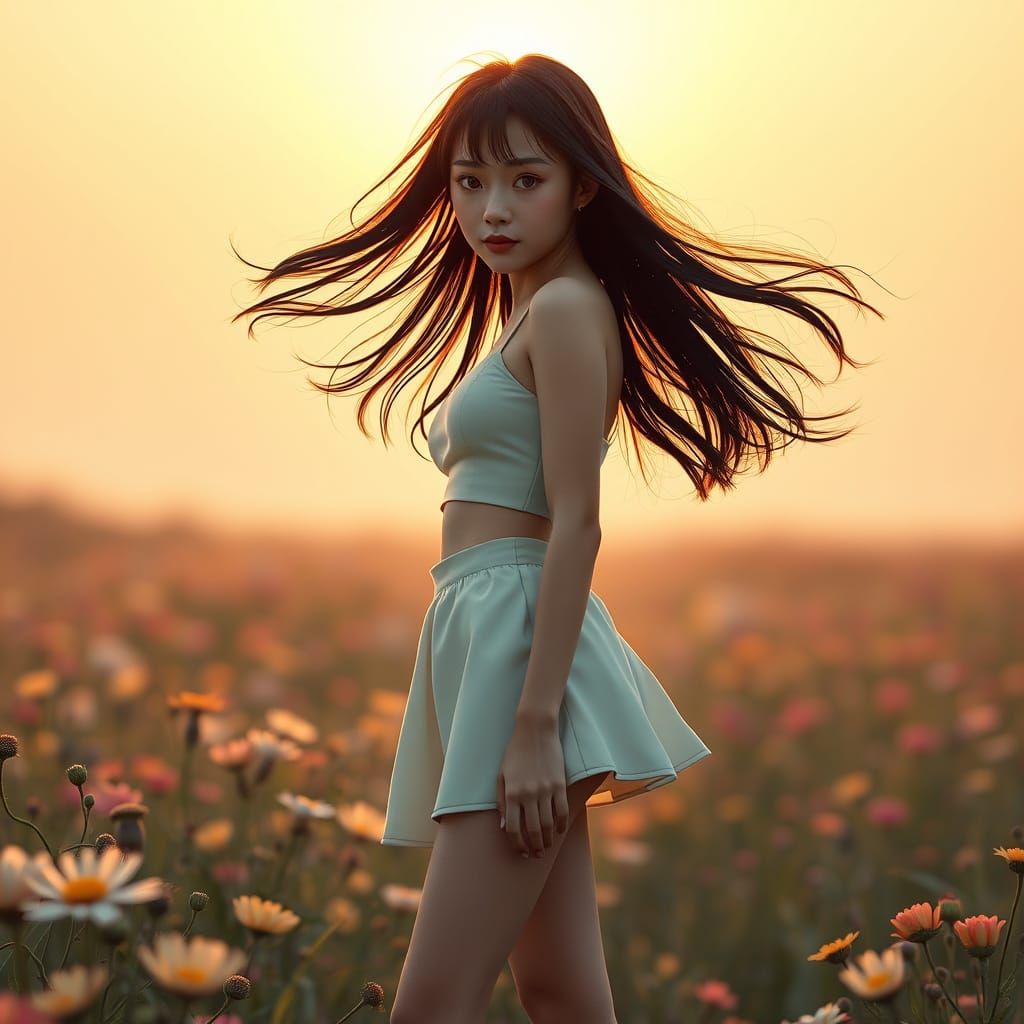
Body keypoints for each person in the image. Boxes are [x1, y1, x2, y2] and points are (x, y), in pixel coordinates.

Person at [233, 52, 884, 1024]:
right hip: (482, 632)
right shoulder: (530, 308)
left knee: (429, 1009)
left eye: (523, 180)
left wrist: (535, 723)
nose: (491, 208)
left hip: (516, 646)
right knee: (560, 995)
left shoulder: (570, 309)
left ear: (581, 184)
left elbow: (577, 520)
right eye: (469, 182)